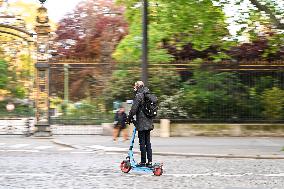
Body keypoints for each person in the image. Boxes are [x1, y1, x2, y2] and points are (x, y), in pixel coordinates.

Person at [127, 81, 154, 167]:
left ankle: (143, 162)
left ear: (138, 86)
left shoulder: (139, 95)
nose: (134, 88)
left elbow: (134, 109)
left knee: (142, 143)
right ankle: (149, 162)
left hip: (142, 123)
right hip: (149, 122)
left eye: (135, 86)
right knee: (148, 143)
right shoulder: (148, 94)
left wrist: (129, 118)